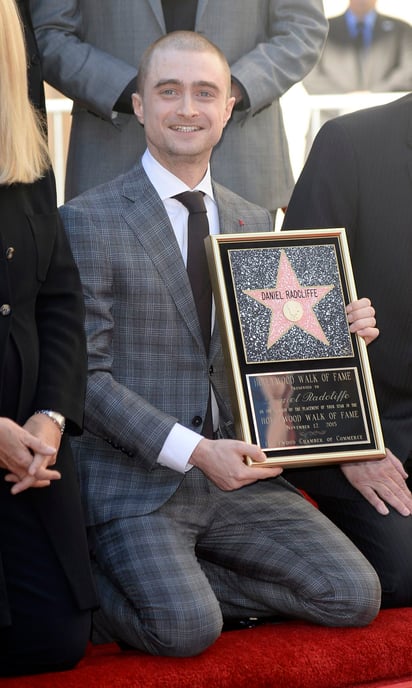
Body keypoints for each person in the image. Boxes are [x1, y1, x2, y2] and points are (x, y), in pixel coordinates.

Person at [60, 31, 382, 658]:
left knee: (353, 594)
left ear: (229, 107)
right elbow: (86, 381)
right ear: (140, 106)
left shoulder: (254, 222)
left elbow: (269, 364)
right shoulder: (87, 219)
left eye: (205, 93)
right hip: (137, 478)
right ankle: (96, 582)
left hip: (240, 478)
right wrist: (195, 451)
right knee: (185, 631)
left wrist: (334, 332)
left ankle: (181, 587)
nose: (187, 108)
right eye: (169, 91)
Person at [282, 92, 412, 609]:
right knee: (403, 575)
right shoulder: (350, 142)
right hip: (366, 432)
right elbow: (291, 309)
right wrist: (349, 448)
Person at [0, 0, 97, 676]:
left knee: (56, 642)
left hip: (28, 448)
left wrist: (52, 415)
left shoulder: (23, 140)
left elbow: (59, 299)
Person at [29, 0, 328, 215]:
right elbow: (47, 34)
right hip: (111, 154)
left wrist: (225, 91)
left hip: (242, 165)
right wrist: (140, 94)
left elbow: (303, 29)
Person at [304, 0, 412, 94]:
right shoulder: (323, 29)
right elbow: (310, 73)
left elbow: (408, 71)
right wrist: (346, 100)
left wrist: (373, 96)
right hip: (332, 114)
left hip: (386, 111)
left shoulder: (401, 30)